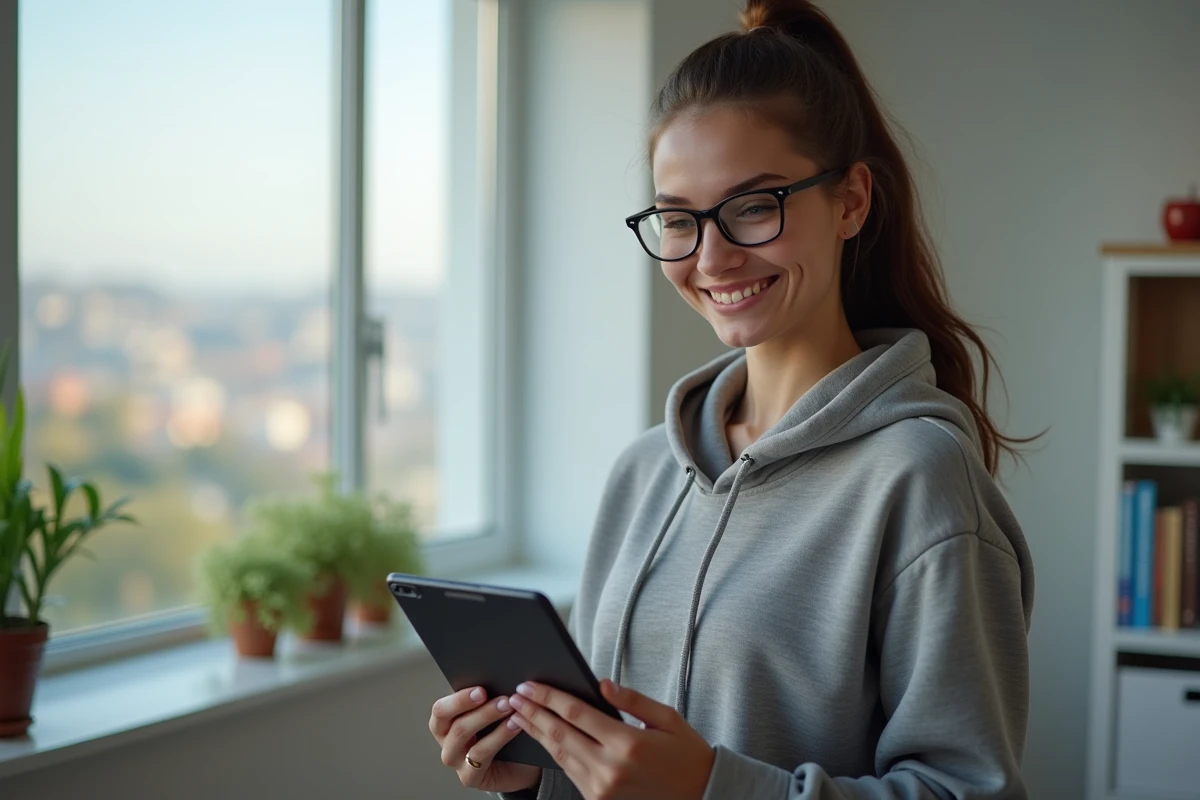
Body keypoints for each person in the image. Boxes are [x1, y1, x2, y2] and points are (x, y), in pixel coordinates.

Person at [427, 0, 1035, 797]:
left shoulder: (921, 482)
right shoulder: (643, 472)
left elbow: (970, 790)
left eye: (753, 206)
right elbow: (607, 765)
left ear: (851, 201)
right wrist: (528, 772)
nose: (712, 257)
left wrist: (714, 787)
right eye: (678, 219)